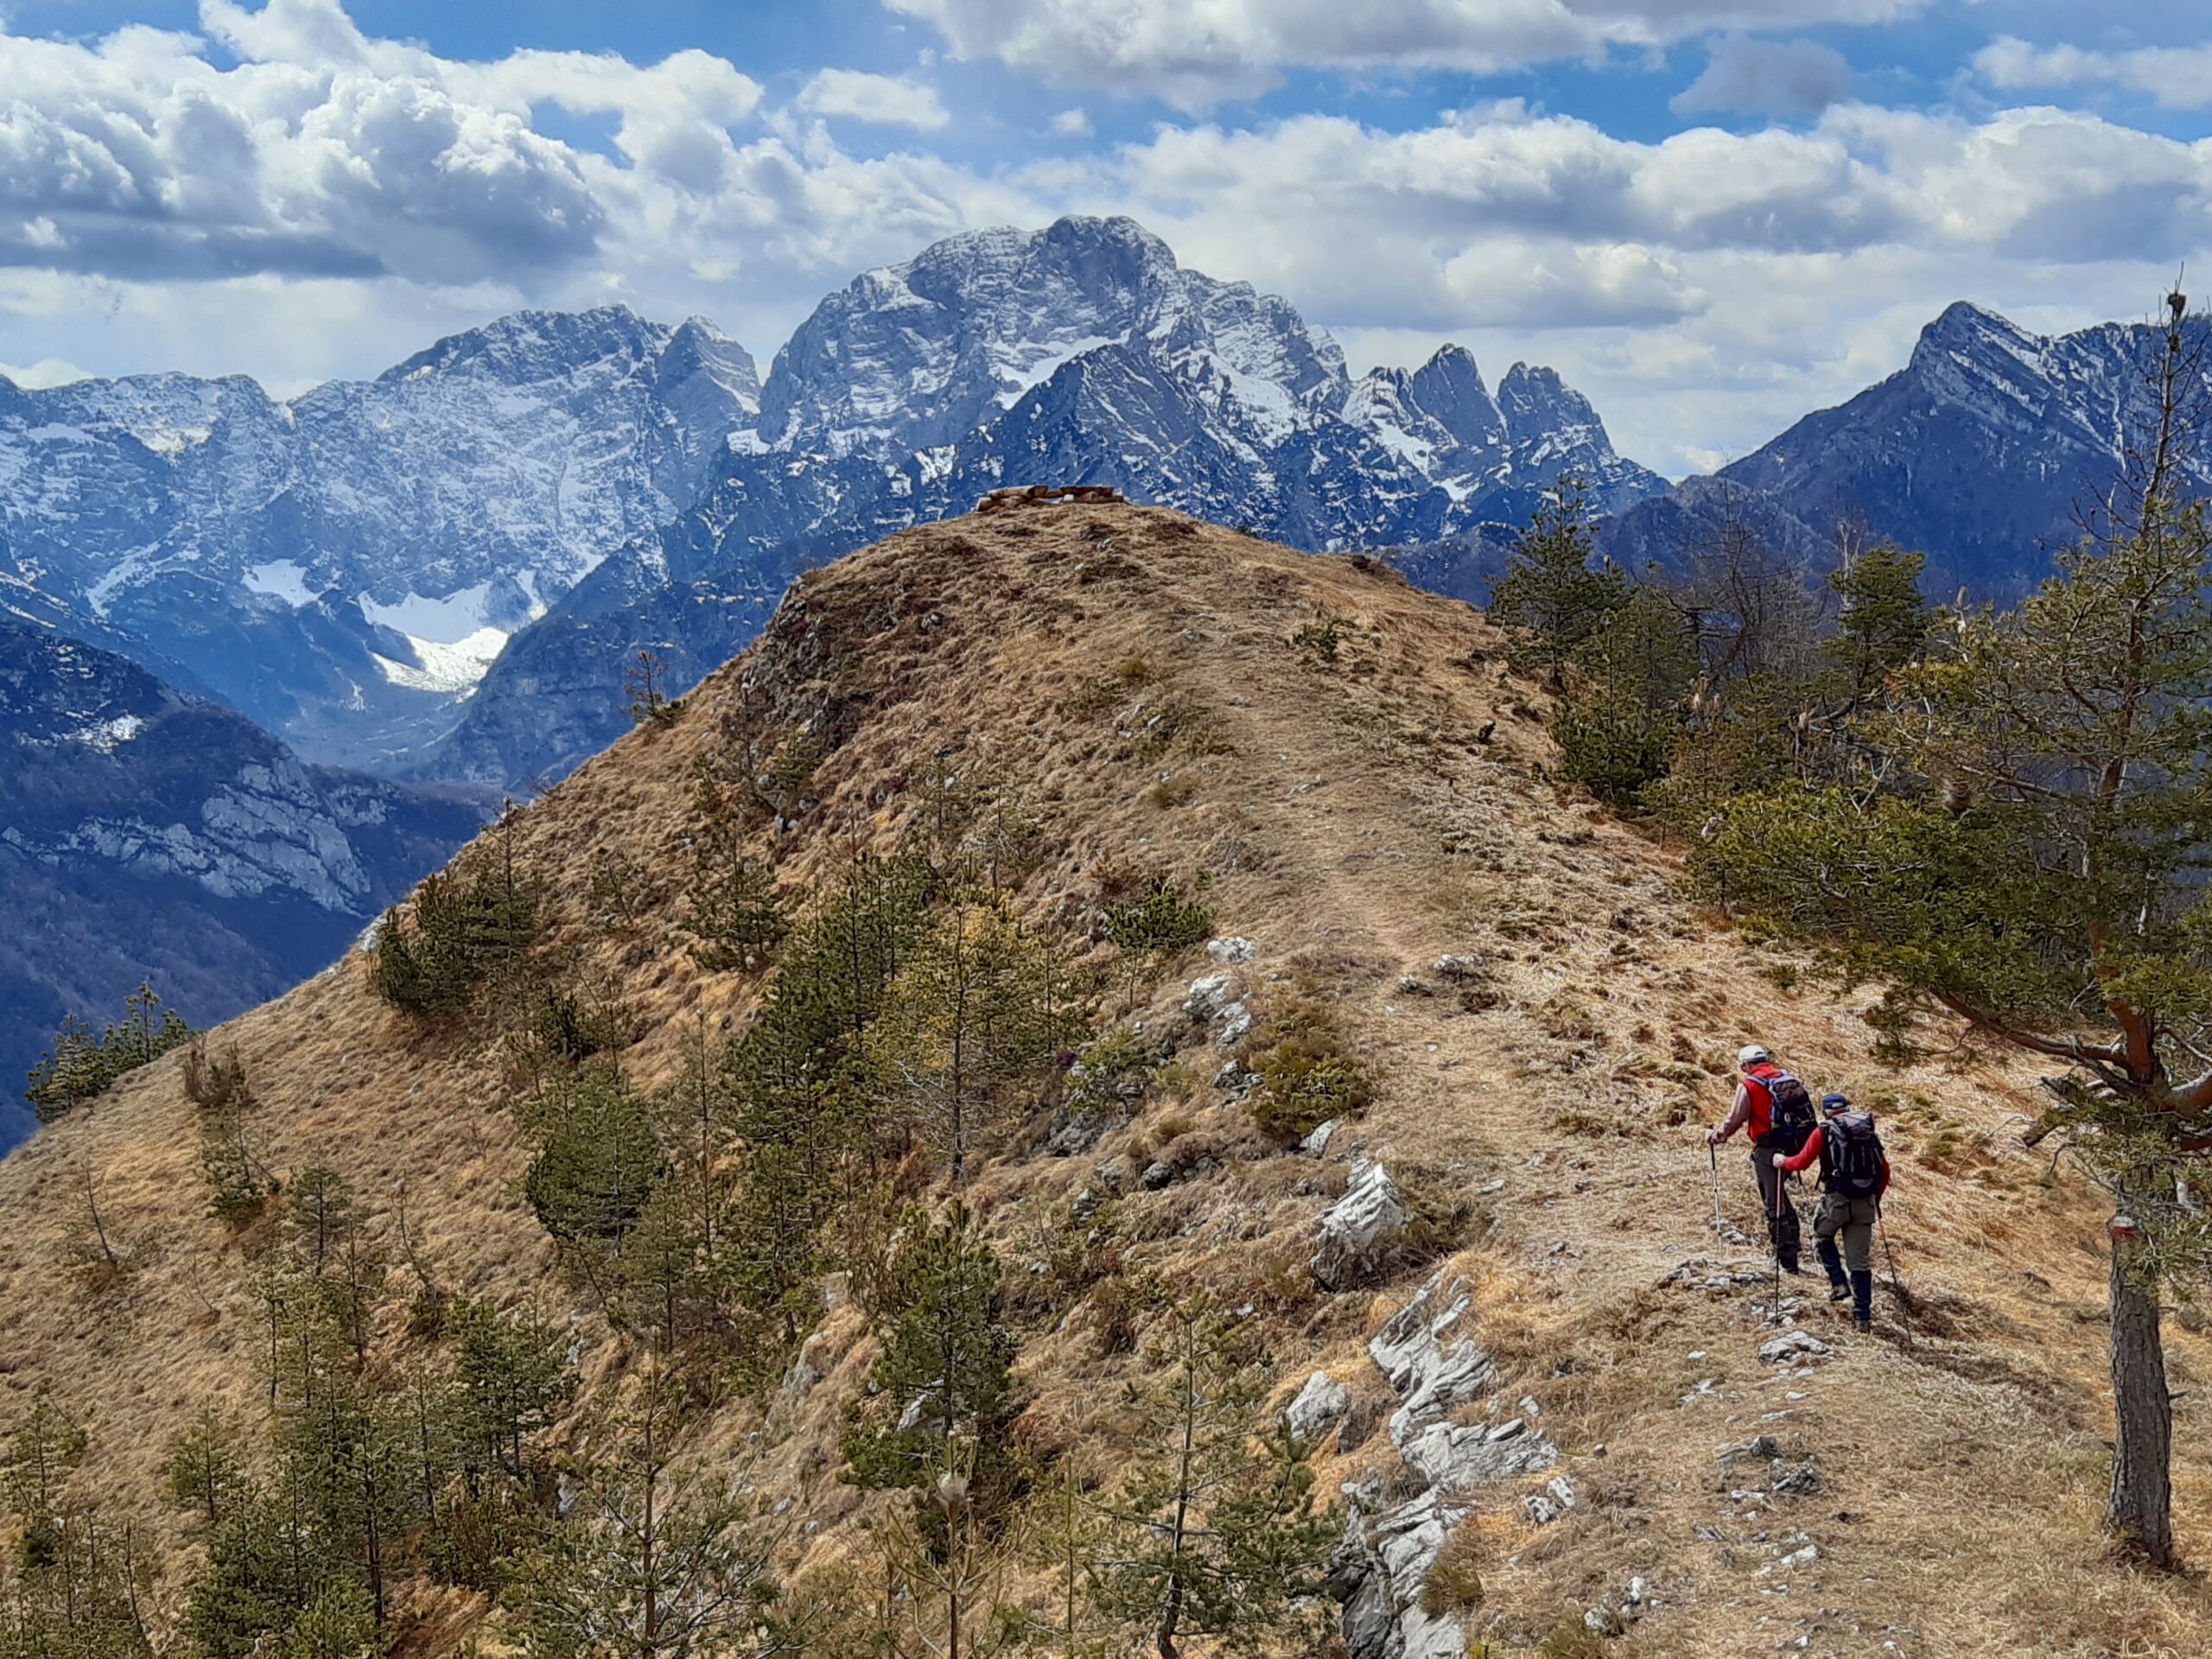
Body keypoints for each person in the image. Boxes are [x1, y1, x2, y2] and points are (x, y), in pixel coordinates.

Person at [1782, 1092, 1890, 1332]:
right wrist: (1875, 1200)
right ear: (1848, 1109)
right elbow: (1885, 1171)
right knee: (1860, 1262)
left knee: (1820, 1236)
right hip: (1866, 1204)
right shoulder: (1866, 1131)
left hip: (1837, 1200)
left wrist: (1782, 1162)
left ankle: (1838, 1284)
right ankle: (1862, 1318)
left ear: (1825, 1111)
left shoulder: (1824, 1131)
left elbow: (1800, 1162)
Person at [1705, 1044, 1817, 1275]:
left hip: (1768, 1148)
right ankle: (1794, 1247)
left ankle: (1787, 1261)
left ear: (1746, 1064)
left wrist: (1718, 1136)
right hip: (1793, 1146)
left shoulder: (1749, 1085)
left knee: (1773, 1203)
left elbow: (1735, 1118)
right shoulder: (1786, 1077)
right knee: (1780, 1196)